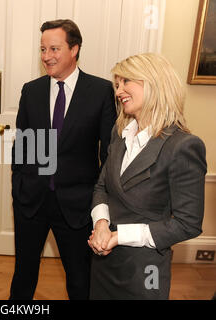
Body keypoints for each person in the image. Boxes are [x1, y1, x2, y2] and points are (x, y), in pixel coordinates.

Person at [10, 19, 116, 300]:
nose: (46, 56)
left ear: (74, 49)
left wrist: (100, 203)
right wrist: (19, 187)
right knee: (23, 276)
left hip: (78, 205)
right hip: (31, 201)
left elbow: (108, 153)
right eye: (43, 49)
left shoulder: (100, 91)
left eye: (54, 48)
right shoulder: (30, 91)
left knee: (80, 279)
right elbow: (22, 146)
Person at [88, 53, 207, 299]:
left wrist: (120, 236)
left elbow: (188, 224)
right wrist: (101, 224)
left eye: (126, 82)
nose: (119, 91)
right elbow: (102, 186)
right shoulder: (119, 132)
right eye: (117, 84)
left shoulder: (183, 146)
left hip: (145, 269)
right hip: (104, 261)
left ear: (154, 82)